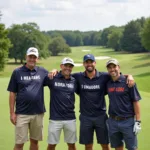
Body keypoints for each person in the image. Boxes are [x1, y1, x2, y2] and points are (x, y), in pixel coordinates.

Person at [50, 54, 134, 150]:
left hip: (101, 117)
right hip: (85, 117)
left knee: (105, 145)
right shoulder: (78, 77)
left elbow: (117, 74)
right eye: (87, 62)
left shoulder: (104, 76)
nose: (89, 64)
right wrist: (55, 71)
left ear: (95, 63)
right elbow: (64, 74)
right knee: (88, 145)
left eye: (91, 62)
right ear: (84, 64)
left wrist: (129, 76)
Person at [7, 47, 48, 150]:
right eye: (30, 56)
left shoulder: (42, 71)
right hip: (22, 113)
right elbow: (12, 93)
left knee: (35, 142)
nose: (32, 59)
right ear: (26, 57)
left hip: (38, 113)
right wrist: (12, 113)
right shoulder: (17, 72)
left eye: (34, 57)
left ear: (37, 58)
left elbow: (54, 77)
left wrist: (55, 70)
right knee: (19, 143)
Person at [106, 58, 141, 150]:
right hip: (113, 121)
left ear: (119, 67)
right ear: (107, 69)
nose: (112, 69)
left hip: (127, 121)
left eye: (114, 67)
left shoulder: (128, 82)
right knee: (117, 147)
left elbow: (135, 101)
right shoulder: (108, 82)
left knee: (132, 148)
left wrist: (138, 121)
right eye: (110, 67)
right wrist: (129, 74)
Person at [45, 57, 77, 150]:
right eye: (66, 65)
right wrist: (53, 70)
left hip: (70, 118)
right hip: (55, 119)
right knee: (51, 145)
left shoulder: (74, 80)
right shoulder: (52, 77)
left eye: (70, 66)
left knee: (71, 145)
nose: (68, 68)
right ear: (61, 66)